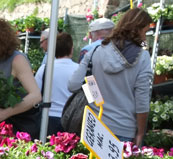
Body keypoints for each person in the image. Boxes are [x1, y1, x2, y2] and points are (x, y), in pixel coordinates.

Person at [68, 9, 153, 145]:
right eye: (145, 32)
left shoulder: (95, 51)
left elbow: (73, 85)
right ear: (137, 30)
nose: (144, 37)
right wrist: (141, 133)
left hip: (93, 127)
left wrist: (94, 95)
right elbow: (142, 101)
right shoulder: (142, 58)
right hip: (124, 131)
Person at [0, 19, 42, 138]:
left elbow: (36, 96)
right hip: (9, 125)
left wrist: (5, 113)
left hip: (23, 127)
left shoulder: (18, 60)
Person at [34, 32, 80, 137]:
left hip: (47, 118)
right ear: (71, 49)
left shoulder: (44, 69)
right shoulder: (79, 69)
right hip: (72, 119)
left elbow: (36, 94)